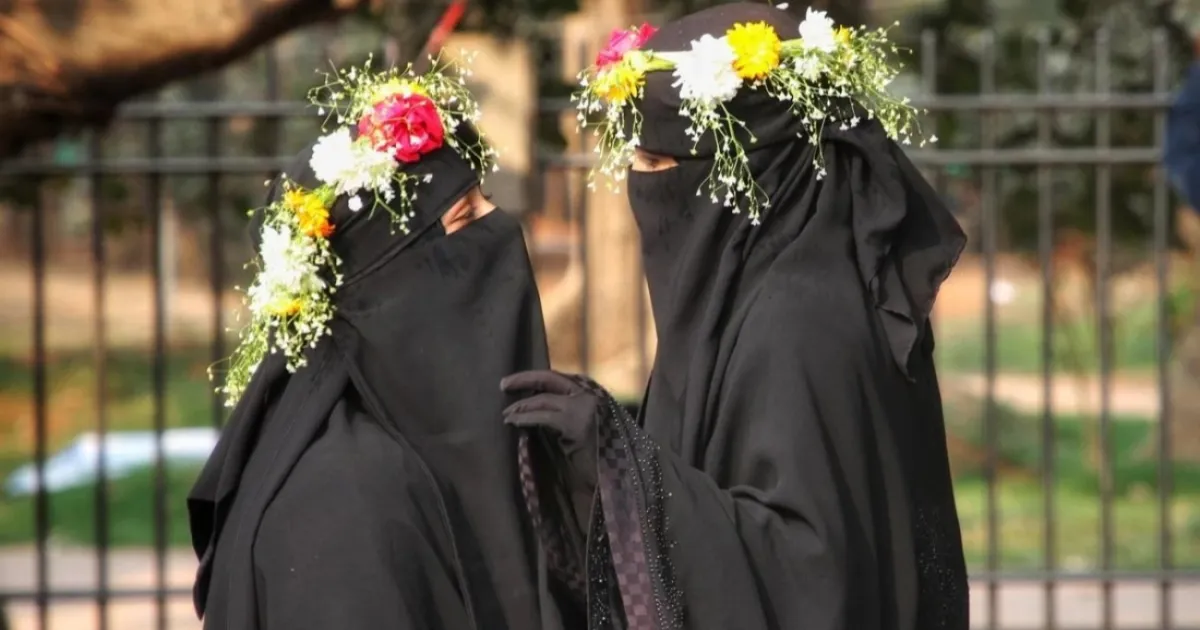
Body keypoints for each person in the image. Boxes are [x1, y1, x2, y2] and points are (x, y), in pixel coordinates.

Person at [502, 3, 970, 629]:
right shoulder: (777, 287)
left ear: (743, 175)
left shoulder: (796, 325)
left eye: (658, 167)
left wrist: (618, 457)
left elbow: (806, 573)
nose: (639, 188)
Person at [188, 59, 570, 629]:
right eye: (466, 218)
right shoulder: (345, 506)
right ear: (389, 283)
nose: (503, 227)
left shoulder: (398, 452)